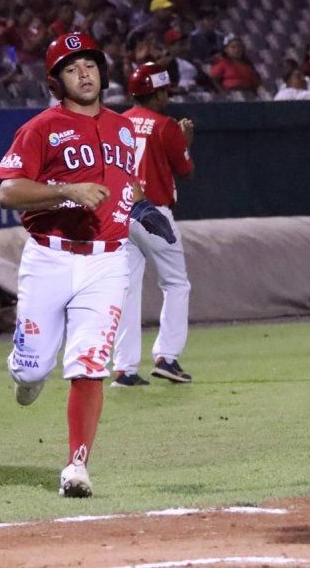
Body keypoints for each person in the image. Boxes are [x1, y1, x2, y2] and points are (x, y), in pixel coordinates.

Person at [0, 33, 176, 498]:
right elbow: (8, 193)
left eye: (90, 64)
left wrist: (142, 205)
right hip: (49, 256)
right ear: (57, 81)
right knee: (33, 371)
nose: (84, 73)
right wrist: (65, 190)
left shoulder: (121, 128)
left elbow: (124, 185)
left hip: (107, 263)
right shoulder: (41, 128)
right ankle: (25, 367)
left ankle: (77, 466)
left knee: (89, 364)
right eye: (72, 68)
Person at [113, 62, 194, 387]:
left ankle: (125, 368)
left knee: (128, 288)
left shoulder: (118, 122)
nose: (166, 96)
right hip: (154, 212)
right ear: (156, 92)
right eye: (164, 91)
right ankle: (167, 357)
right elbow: (185, 171)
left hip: (122, 212)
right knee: (176, 284)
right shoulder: (166, 125)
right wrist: (185, 141)